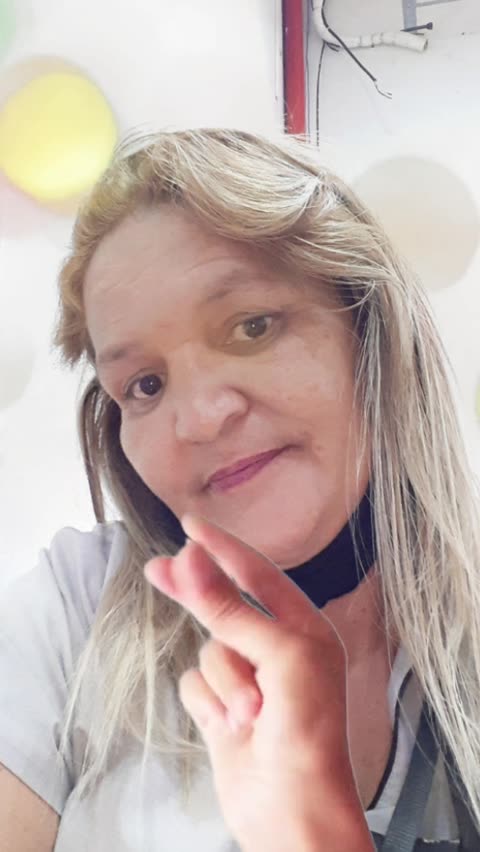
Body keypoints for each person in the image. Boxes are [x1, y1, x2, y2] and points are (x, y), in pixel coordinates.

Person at [1, 128, 479, 852]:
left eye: (252, 327)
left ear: (368, 328)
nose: (200, 417)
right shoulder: (71, 612)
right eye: (145, 385)